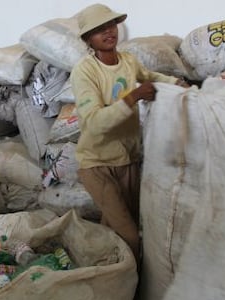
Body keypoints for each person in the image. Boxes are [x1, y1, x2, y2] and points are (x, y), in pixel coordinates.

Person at [70, 3, 189, 265]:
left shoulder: (127, 61)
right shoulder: (85, 71)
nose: (108, 32)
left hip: (127, 161)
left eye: (111, 25)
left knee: (116, 226)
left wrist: (178, 85)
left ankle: (105, 273)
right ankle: (130, 291)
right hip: (97, 164)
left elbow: (150, 76)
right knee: (131, 236)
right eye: (99, 30)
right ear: (89, 39)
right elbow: (94, 123)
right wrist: (133, 96)